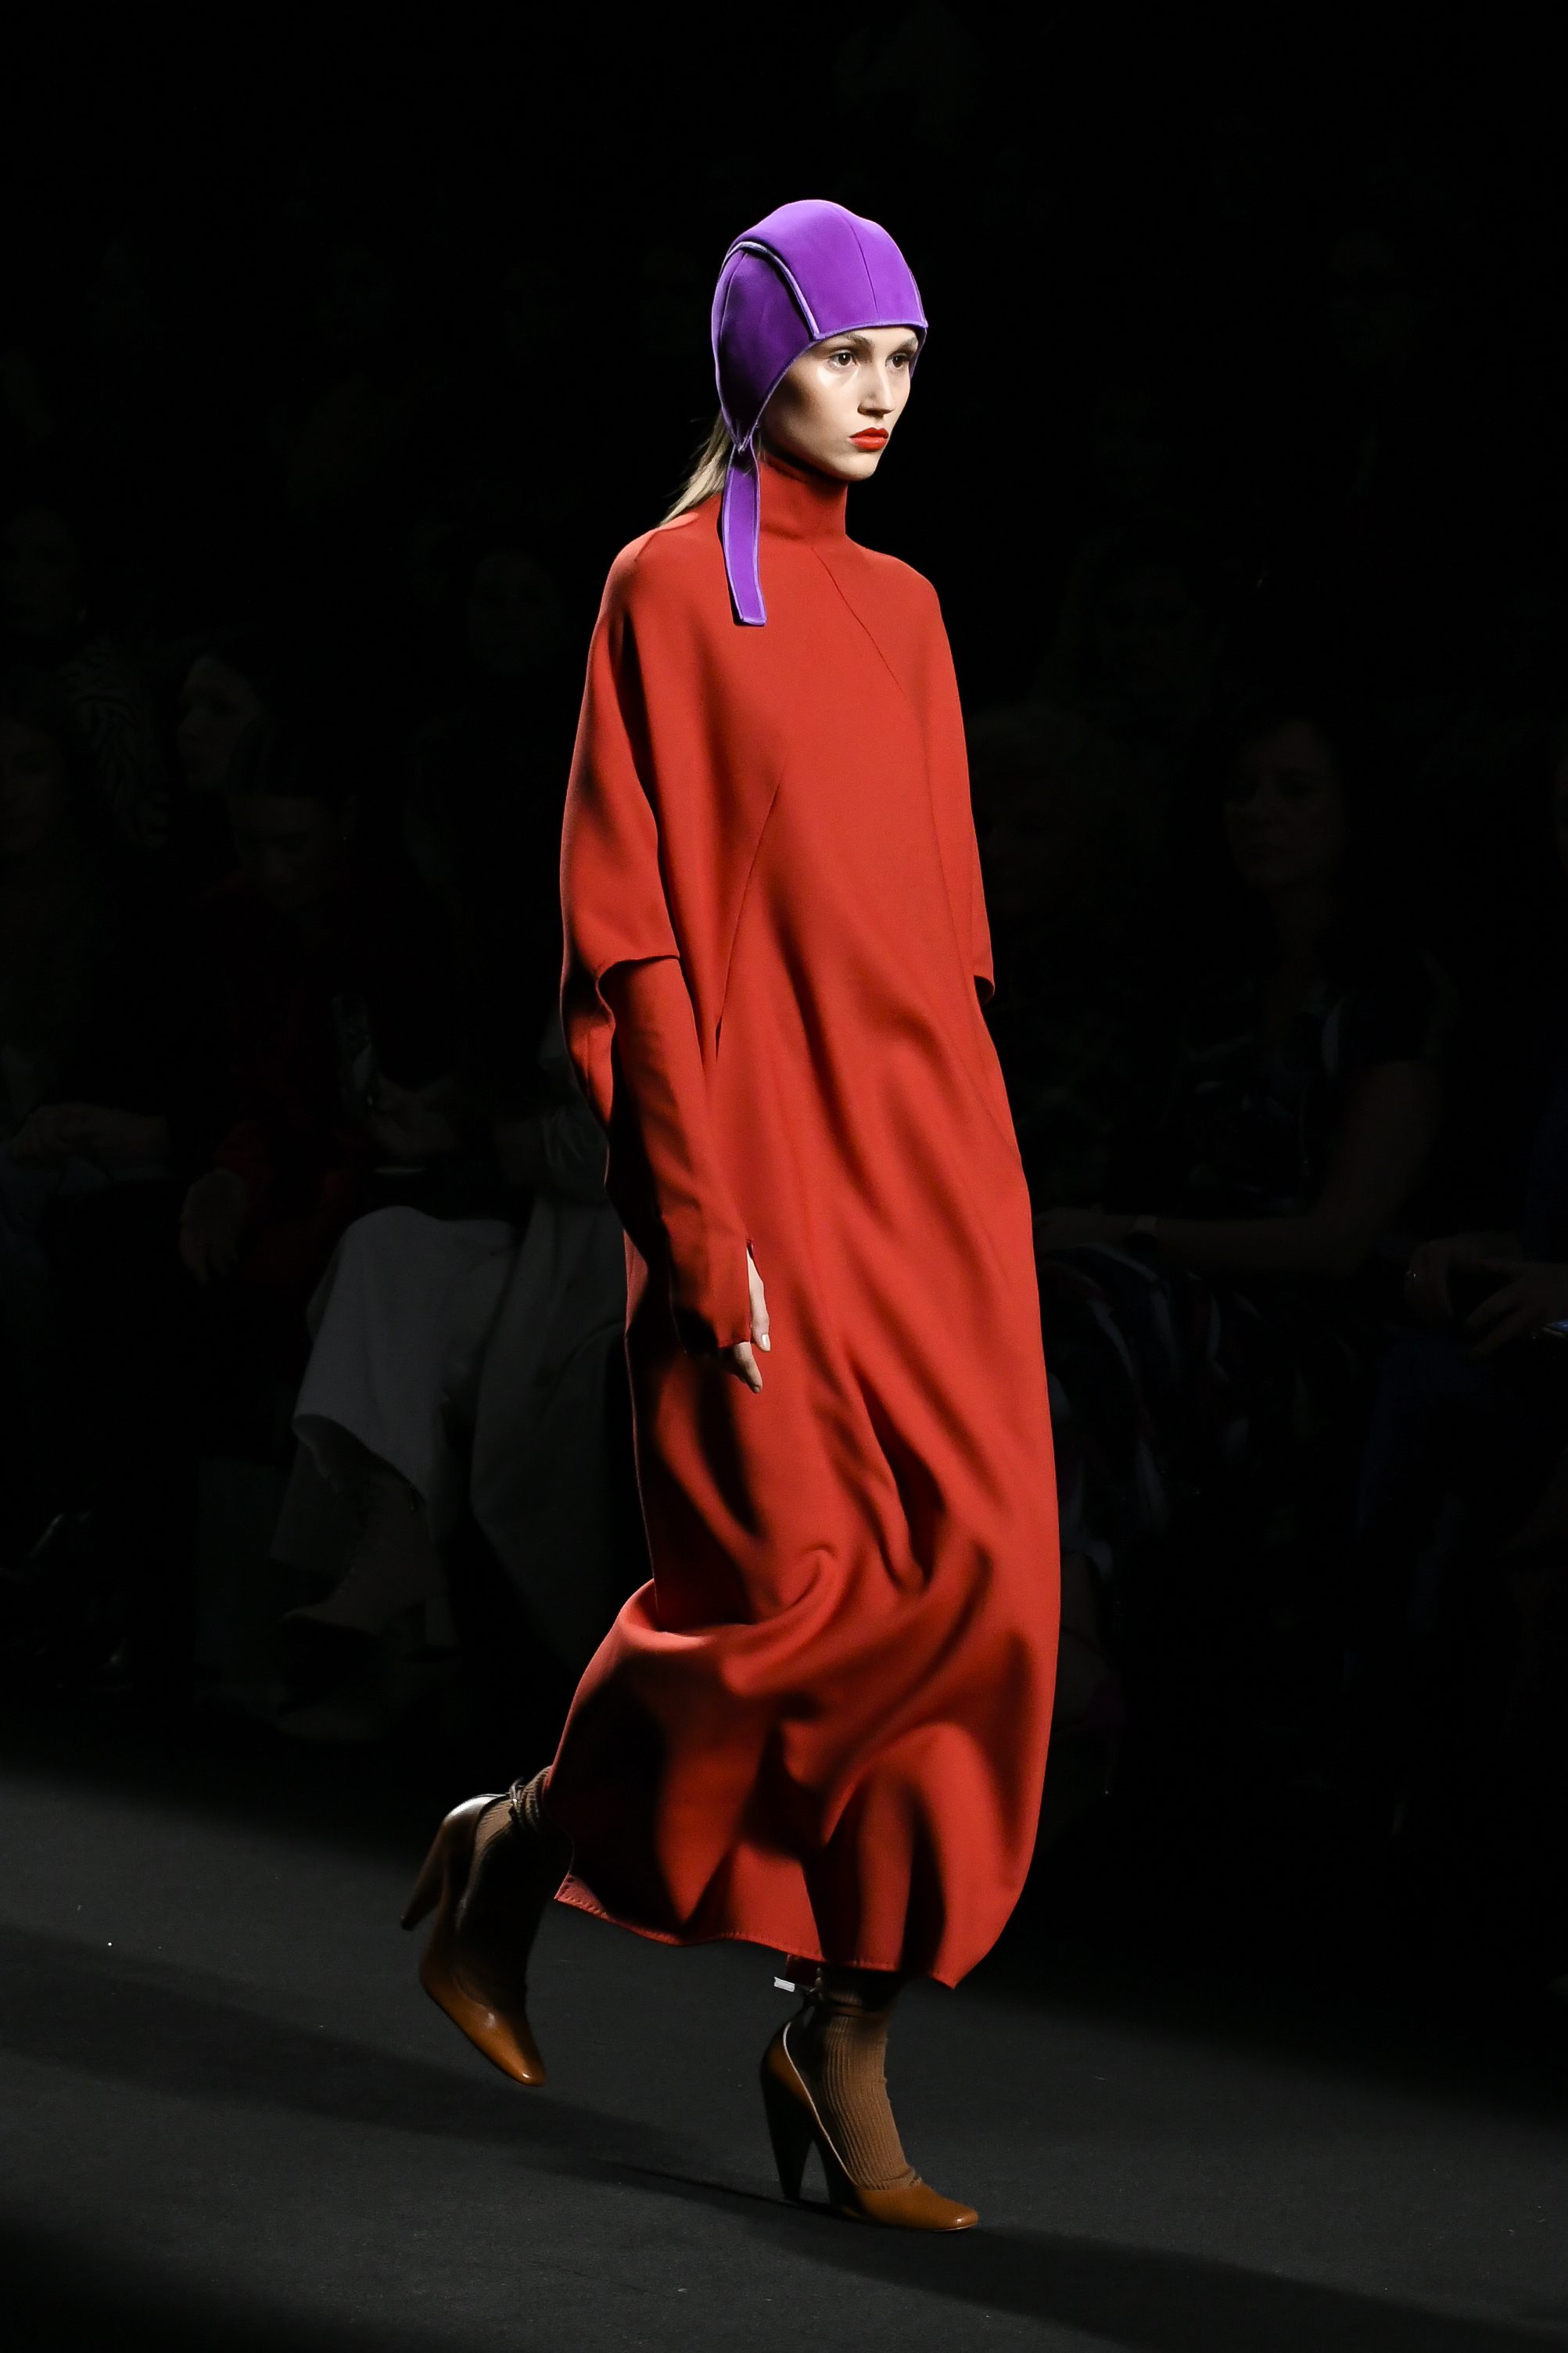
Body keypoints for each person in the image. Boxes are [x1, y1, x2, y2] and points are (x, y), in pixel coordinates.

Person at [400, 200, 1059, 2231]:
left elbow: (943, 952)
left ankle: (837, 2039)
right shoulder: (663, 590)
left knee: (985, 1598)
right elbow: (630, 940)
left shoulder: (912, 610)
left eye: (904, 360)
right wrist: (695, 1219)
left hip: (930, 1167)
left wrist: (981, 1208)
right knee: (788, 1598)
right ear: (757, 347)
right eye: (845, 350)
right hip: (749, 1162)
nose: (878, 393)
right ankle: (521, 1838)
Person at [1033, 698, 1448, 1745]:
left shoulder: (1392, 999)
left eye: (1293, 790)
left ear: (1353, 812)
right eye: (1241, 791)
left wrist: (1123, 1233)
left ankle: (1070, 1637)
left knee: (1088, 1308)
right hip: (1172, 1289)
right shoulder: (1213, 987)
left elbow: (1337, 1239)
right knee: (1047, 1307)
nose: (1259, 813)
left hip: (1308, 1323)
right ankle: (1049, 1618)